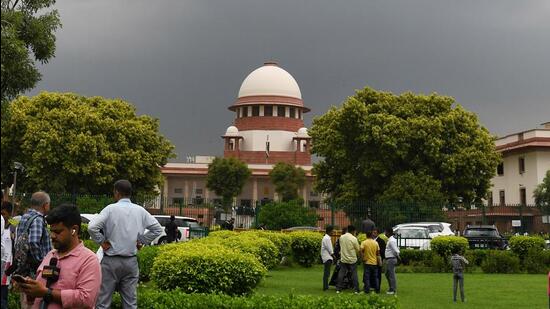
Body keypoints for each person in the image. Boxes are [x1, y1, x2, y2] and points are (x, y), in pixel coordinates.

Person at [89, 180, 163, 309]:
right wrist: (142, 240)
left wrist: (101, 241)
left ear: (117, 192)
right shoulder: (140, 210)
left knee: (103, 302)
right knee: (130, 303)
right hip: (131, 261)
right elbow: (157, 229)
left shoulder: (110, 209)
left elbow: (92, 227)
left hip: (111, 261)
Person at [18, 204, 102, 308]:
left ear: (74, 230)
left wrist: (46, 292)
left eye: (58, 232)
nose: (52, 236)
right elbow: (39, 294)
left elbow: (86, 299)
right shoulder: (50, 255)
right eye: (51, 231)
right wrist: (30, 291)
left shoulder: (89, 260)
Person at [13, 192, 52, 309]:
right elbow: (33, 242)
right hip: (34, 270)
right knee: (34, 303)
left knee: (25, 302)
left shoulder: (24, 217)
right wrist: (41, 262)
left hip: (23, 268)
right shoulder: (38, 219)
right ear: (45, 205)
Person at [336, 225, 360, 294]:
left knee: (341, 273)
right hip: (352, 259)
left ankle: (338, 288)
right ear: (353, 231)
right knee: (354, 274)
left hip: (343, 258)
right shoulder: (354, 238)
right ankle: (356, 289)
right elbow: (358, 249)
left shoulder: (341, 237)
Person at [1, 202, 15, 309]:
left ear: (10, 214)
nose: (3, 216)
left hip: (6, 263)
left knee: (3, 293)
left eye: (4, 214)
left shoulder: (13, 224)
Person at [384, 227, 400, 295]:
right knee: (388, 274)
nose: (385, 233)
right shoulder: (390, 240)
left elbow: (396, 250)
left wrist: (397, 256)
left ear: (388, 233)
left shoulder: (391, 241)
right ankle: (391, 288)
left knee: (391, 274)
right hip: (389, 259)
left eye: (386, 232)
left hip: (391, 259)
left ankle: (393, 289)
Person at [321, 225, 334, 291]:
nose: (333, 232)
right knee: (327, 273)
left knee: (327, 273)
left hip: (326, 257)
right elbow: (330, 249)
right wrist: (334, 256)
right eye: (332, 231)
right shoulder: (327, 238)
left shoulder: (326, 237)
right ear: (329, 231)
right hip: (327, 257)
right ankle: (325, 287)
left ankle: (325, 286)